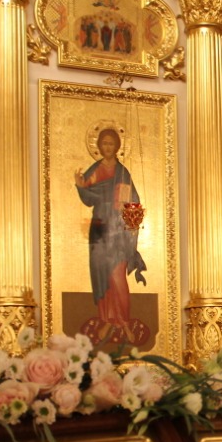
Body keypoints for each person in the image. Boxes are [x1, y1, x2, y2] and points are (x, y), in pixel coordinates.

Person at [75, 126, 147, 343]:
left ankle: (123, 321)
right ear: (99, 147)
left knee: (118, 278)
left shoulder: (123, 173)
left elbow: (132, 202)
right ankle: (107, 320)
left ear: (117, 146)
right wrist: (80, 186)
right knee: (101, 275)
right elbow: (88, 197)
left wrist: (130, 226)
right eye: (104, 143)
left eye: (111, 143)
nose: (107, 147)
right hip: (99, 229)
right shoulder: (95, 170)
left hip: (118, 233)